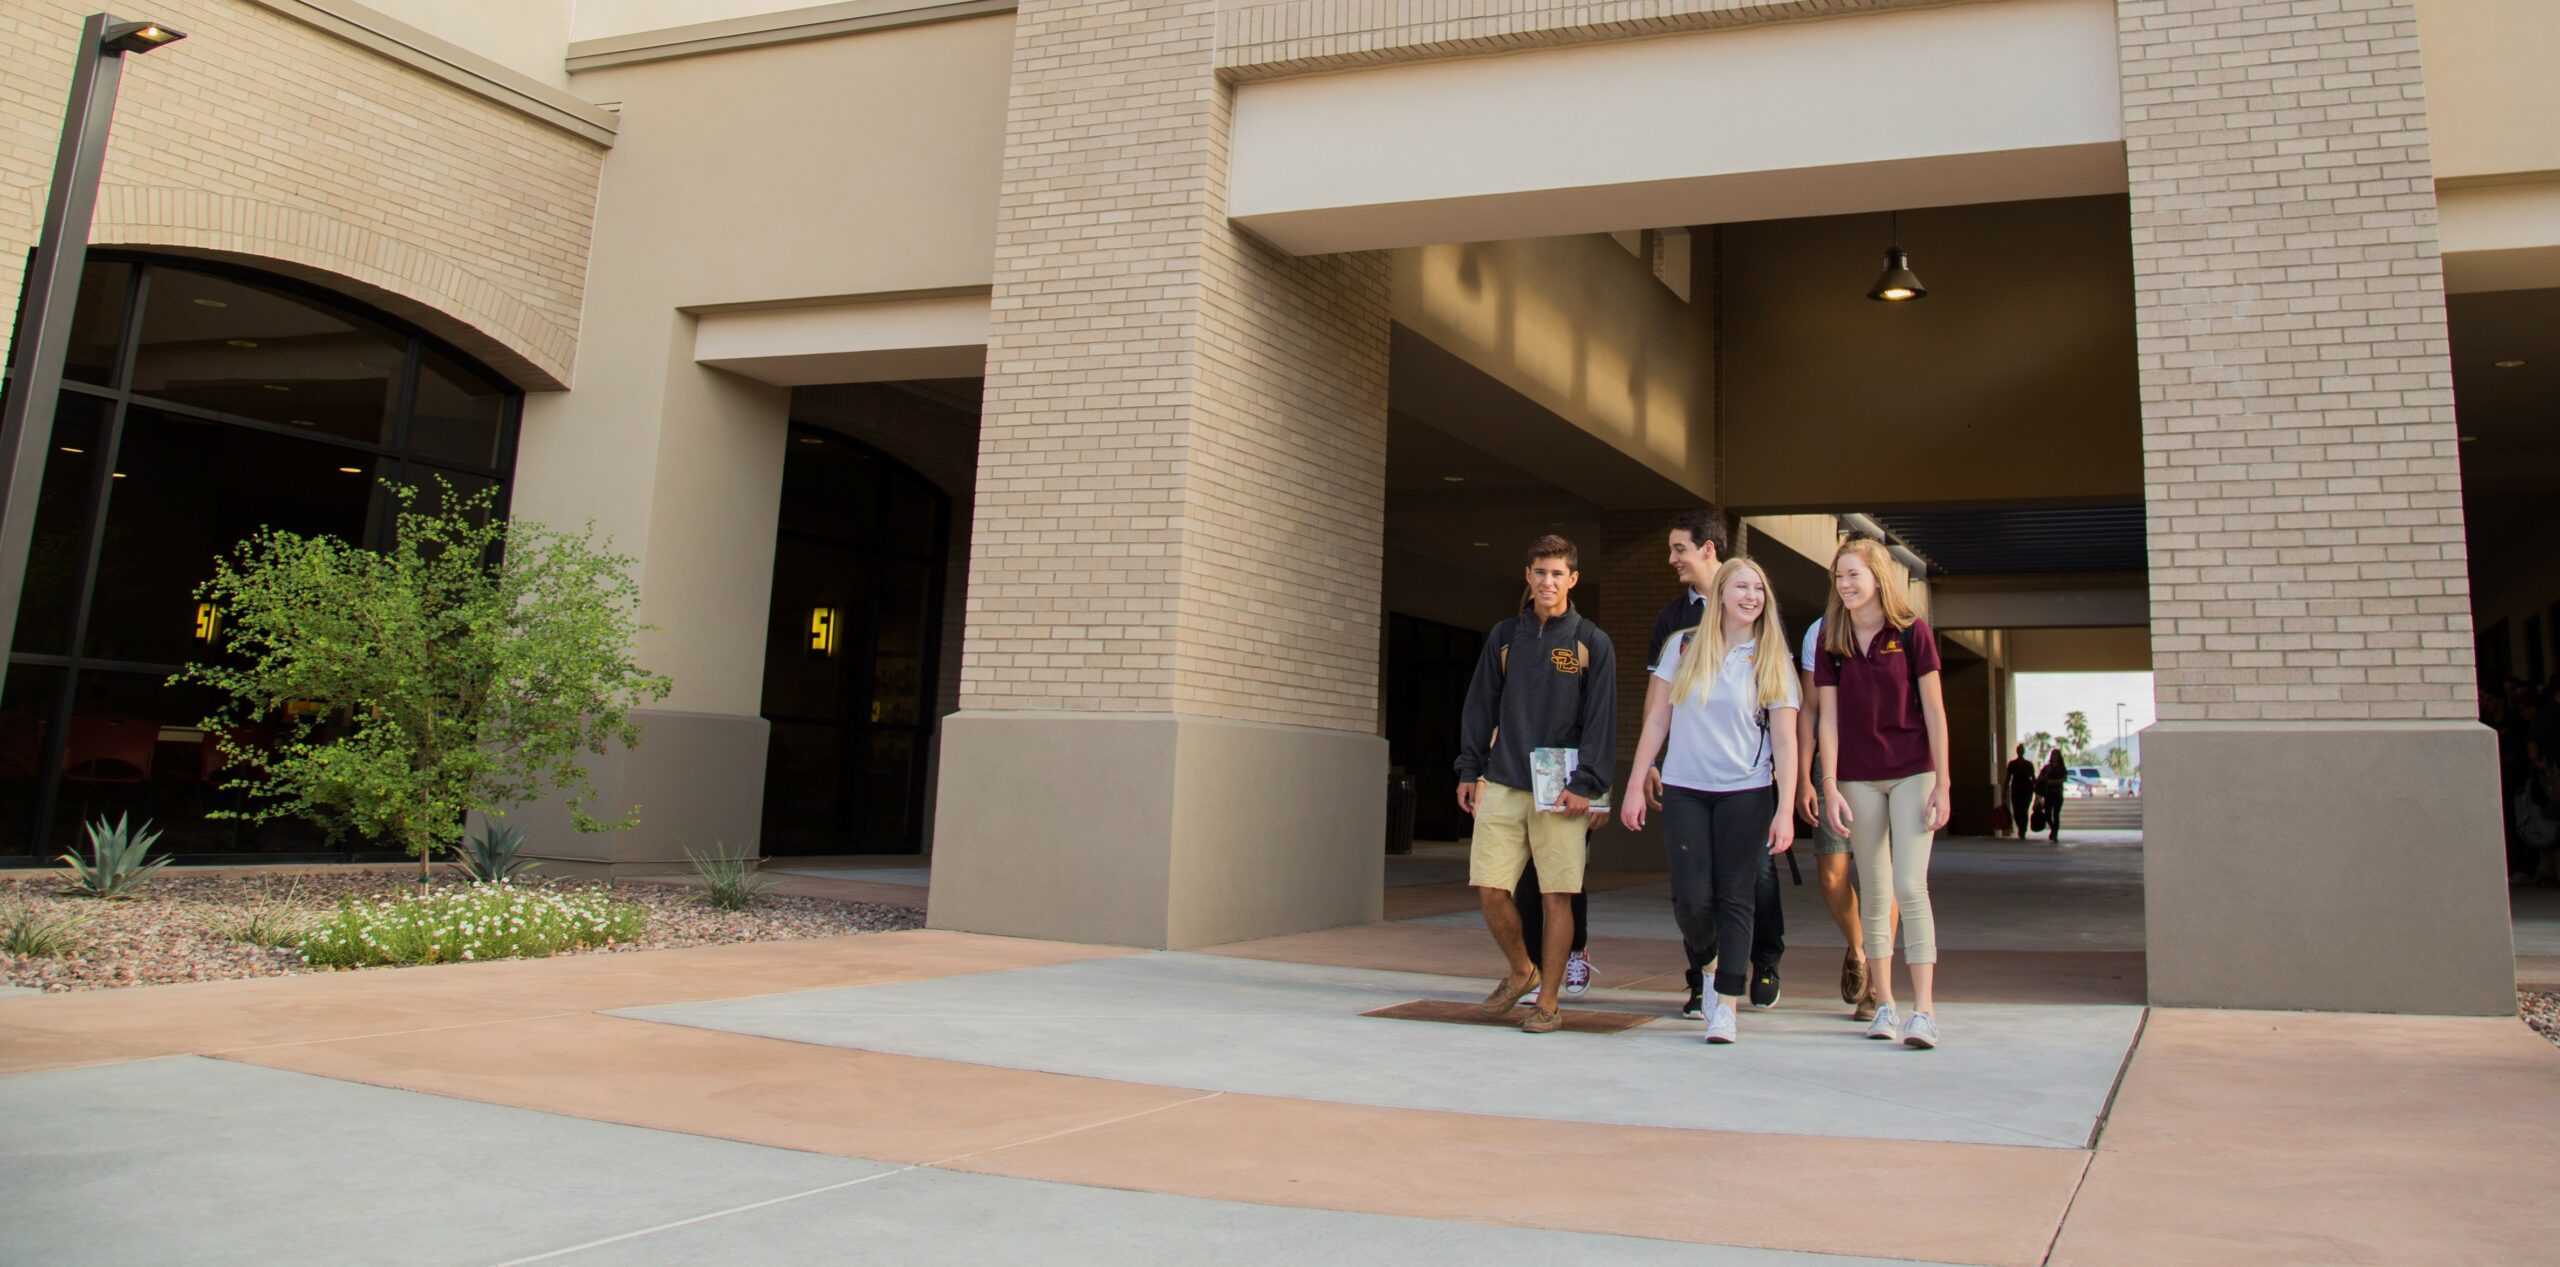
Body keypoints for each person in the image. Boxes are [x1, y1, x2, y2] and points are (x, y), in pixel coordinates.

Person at [1623, 557, 1799, 1044]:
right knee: (1690, 899)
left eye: (1759, 589)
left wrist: (1785, 810)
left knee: (1735, 897)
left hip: (1747, 790)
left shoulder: (1772, 656)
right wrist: (1637, 782)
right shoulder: (1681, 646)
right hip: (1685, 789)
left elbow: (1786, 741)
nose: (1752, 596)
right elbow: (1657, 720)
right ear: (1720, 592)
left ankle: (1727, 1004)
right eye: (1742, 586)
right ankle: (1707, 962)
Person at [1454, 534, 1618, 1034]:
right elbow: (1480, 705)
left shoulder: (1591, 642)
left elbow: (1601, 720)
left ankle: (1548, 1000)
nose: (1547, 582)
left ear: (1573, 579)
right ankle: (1521, 970)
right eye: (1539, 572)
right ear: (1527, 576)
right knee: (1489, 886)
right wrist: (1469, 768)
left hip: (1562, 788)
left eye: (1557, 574)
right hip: (1504, 778)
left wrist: (1589, 783)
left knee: (1556, 895)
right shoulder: (1505, 637)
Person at [1815, 537, 1952, 1049]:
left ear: (1877, 577)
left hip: (1913, 771)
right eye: (1839, 577)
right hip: (1856, 776)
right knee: (1873, 890)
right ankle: (1885, 1005)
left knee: (1910, 887)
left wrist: (1944, 781)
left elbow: (1935, 711)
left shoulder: (1913, 632)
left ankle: (1925, 1011)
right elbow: (1827, 719)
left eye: (1854, 575)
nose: (1845, 585)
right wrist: (1828, 783)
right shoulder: (1833, 638)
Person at [1796, 608, 1895, 1022]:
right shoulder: (1819, 632)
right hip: (1833, 766)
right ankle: (1859, 947)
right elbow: (1810, 711)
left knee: (1880, 877)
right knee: (1833, 874)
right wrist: (1804, 777)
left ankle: (1875, 985)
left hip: (1888, 766)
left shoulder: (1898, 631)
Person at [2005, 744, 2037, 840]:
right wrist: (2004, 789)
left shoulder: (2029, 764)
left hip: (2027, 790)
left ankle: (2023, 830)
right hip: (2016, 790)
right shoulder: (2012, 764)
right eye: (2019, 749)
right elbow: (2008, 777)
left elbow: (2033, 777)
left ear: (2024, 751)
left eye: (2021, 750)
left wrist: (2037, 790)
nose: (2020, 751)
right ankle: (2020, 827)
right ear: (2017, 751)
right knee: (2016, 812)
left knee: (2024, 811)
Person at [2035, 749, 2067, 843]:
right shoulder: (2047, 767)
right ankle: (2053, 829)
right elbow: (2039, 778)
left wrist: (2053, 781)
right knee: (2047, 814)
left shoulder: (2061, 768)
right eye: (2053, 754)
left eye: (2056, 754)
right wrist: (2045, 777)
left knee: (2056, 815)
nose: (2054, 756)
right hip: (2048, 794)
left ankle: (2055, 833)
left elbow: (2064, 778)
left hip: (2057, 794)